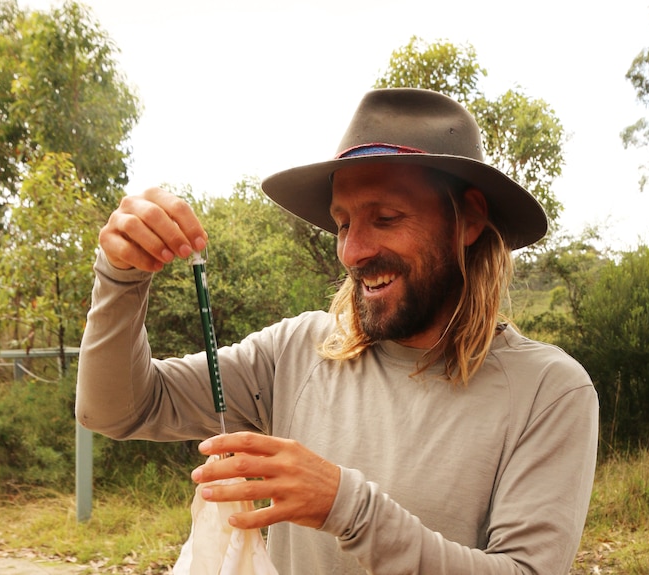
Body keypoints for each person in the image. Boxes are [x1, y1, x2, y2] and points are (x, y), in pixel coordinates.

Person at [76, 87, 599, 574]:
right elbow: (118, 408)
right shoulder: (296, 352)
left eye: (386, 217)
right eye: (344, 222)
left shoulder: (548, 390)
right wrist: (121, 276)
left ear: (467, 221)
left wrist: (346, 506)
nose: (352, 251)